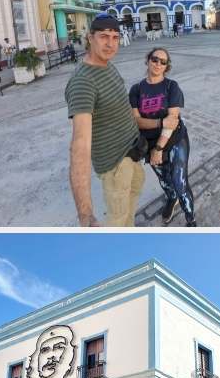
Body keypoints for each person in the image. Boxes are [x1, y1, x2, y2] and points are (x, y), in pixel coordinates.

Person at [67, 14, 144, 227]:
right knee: (117, 219)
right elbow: (80, 146)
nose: (110, 44)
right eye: (103, 37)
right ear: (90, 38)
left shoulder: (106, 64)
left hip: (132, 152)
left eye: (115, 37)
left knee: (129, 209)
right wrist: (85, 214)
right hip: (115, 165)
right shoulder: (83, 82)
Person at [129, 48, 196, 227]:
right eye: (155, 59)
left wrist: (159, 148)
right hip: (149, 143)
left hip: (175, 139)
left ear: (167, 66)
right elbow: (136, 121)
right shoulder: (136, 89)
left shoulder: (171, 87)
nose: (158, 64)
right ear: (148, 60)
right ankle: (171, 199)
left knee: (179, 182)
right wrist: (160, 122)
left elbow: (172, 120)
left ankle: (191, 220)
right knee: (165, 181)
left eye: (163, 62)